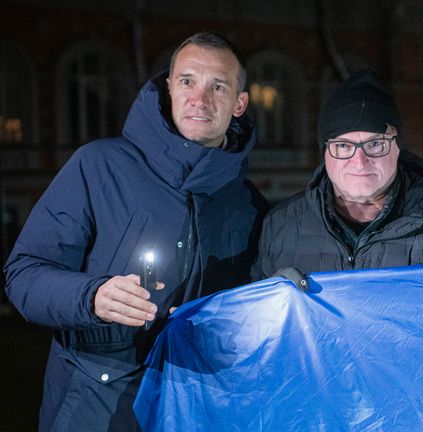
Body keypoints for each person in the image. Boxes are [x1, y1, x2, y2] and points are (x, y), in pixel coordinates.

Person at [3, 32, 268, 431]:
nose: (200, 98)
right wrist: (91, 296)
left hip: (195, 409)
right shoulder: (99, 166)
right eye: (187, 81)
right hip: (95, 407)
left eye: (218, 86)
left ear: (239, 103)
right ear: (169, 88)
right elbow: (23, 275)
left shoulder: (246, 203)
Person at [254, 69, 423, 279]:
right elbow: (255, 319)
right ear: (324, 153)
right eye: (343, 146)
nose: (359, 161)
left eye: (375, 144)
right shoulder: (280, 226)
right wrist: (273, 300)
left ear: (397, 148)